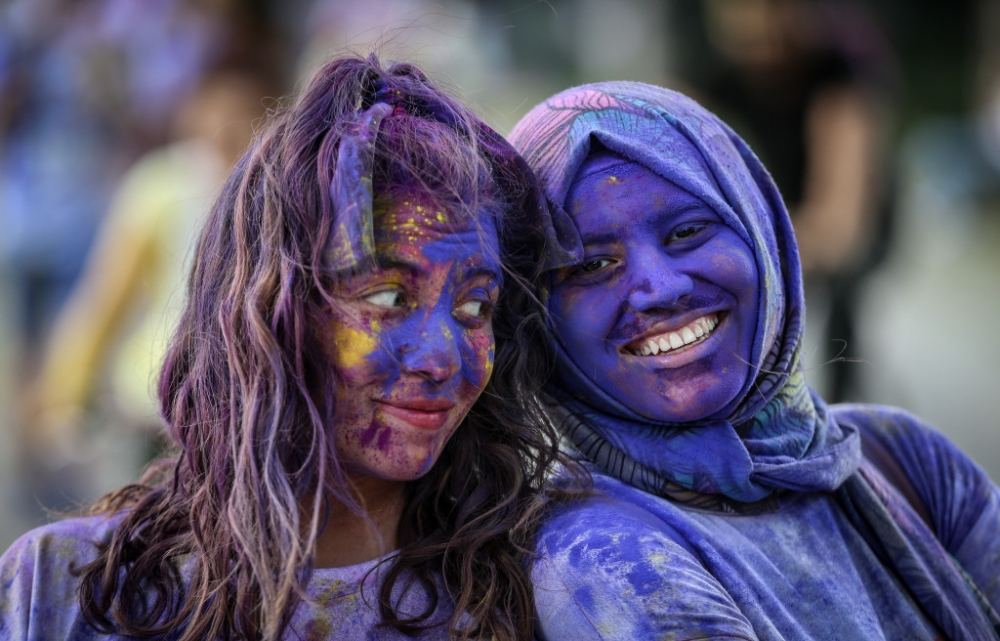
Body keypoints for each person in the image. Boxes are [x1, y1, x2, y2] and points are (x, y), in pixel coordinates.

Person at [0, 54, 564, 641]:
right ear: (267, 310)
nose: (442, 356)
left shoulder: (538, 592)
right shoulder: (62, 591)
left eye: (476, 308)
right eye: (389, 296)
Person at [506, 81, 1000, 640]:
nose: (660, 289)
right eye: (592, 266)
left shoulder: (902, 457)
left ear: (760, 230)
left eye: (688, 231)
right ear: (534, 316)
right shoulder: (607, 563)